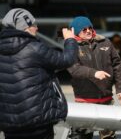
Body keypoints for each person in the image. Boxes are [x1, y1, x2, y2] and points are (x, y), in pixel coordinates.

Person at [0, 8, 78, 139]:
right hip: (37, 122)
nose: (36, 28)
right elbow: (66, 60)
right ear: (25, 26)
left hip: (10, 124)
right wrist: (70, 40)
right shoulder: (34, 48)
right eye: (34, 24)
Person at [68, 16, 121, 139]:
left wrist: (120, 89)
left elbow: (117, 65)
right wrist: (93, 73)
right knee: (80, 136)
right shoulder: (71, 47)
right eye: (84, 30)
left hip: (106, 100)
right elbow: (74, 69)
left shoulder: (105, 42)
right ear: (77, 32)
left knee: (108, 136)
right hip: (84, 102)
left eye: (90, 28)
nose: (88, 31)